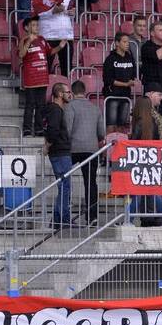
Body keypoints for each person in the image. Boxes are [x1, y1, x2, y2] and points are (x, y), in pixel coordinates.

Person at [65, 80, 105, 225]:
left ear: (72, 92)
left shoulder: (70, 107)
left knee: (64, 178)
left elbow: (67, 130)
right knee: (91, 183)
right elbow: (102, 133)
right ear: (85, 91)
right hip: (91, 150)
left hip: (73, 149)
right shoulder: (95, 108)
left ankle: (64, 213)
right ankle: (92, 217)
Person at [128, 89, 162, 226]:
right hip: (152, 159)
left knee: (137, 194)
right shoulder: (154, 123)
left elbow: (133, 143)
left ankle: (129, 220)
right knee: (153, 191)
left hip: (140, 161)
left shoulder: (139, 123)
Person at [18, 17, 59, 137]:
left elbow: (50, 52)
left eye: (37, 25)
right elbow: (21, 54)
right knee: (30, 104)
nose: (37, 27)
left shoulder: (42, 39)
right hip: (31, 79)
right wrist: (28, 42)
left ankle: (39, 129)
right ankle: (27, 129)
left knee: (41, 105)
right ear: (27, 27)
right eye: (34, 25)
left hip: (42, 79)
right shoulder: (24, 40)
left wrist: (61, 46)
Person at [44, 82, 72, 230]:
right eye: (68, 92)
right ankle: (63, 219)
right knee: (65, 187)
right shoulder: (56, 110)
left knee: (64, 186)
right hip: (60, 152)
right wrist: (47, 146)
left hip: (59, 152)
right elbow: (53, 130)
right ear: (60, 94)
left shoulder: (54, 110)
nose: (70, 95)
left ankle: (57, 219)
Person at [103, 32, 136, 132]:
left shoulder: (130, 58)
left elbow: (133, 74)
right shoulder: (110, 59)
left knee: (122, 125)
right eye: (124, 42)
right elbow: (108, 80)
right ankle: (109, 146)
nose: (127, 44)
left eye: (128, 42)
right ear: (117, 43)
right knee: (111, 124)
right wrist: (125, 84)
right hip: (113, 95)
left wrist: (132, 81)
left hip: (125, 96)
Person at [38, 0, 75, 76]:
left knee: (67, 70)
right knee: (45, 70)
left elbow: (69, 10)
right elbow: (37, 12)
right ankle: (44, 89)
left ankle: (65, 88)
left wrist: (72, 13)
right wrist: (52, 11)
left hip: (66, 36)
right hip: (48, 35)